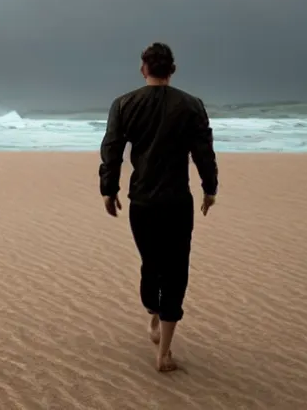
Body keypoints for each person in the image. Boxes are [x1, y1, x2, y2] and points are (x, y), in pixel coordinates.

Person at [98, 42, 218, 372]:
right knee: (176, 269)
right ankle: (163, 352)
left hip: (143, 201)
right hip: (178, 201)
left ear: (143, 69)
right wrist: (210, 187)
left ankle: (154, 312)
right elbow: (203, 152)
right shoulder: (191, 105)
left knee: (151, 263)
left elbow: (112, 149)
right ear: (172, 71)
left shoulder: (124, 104)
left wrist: (108, 189)